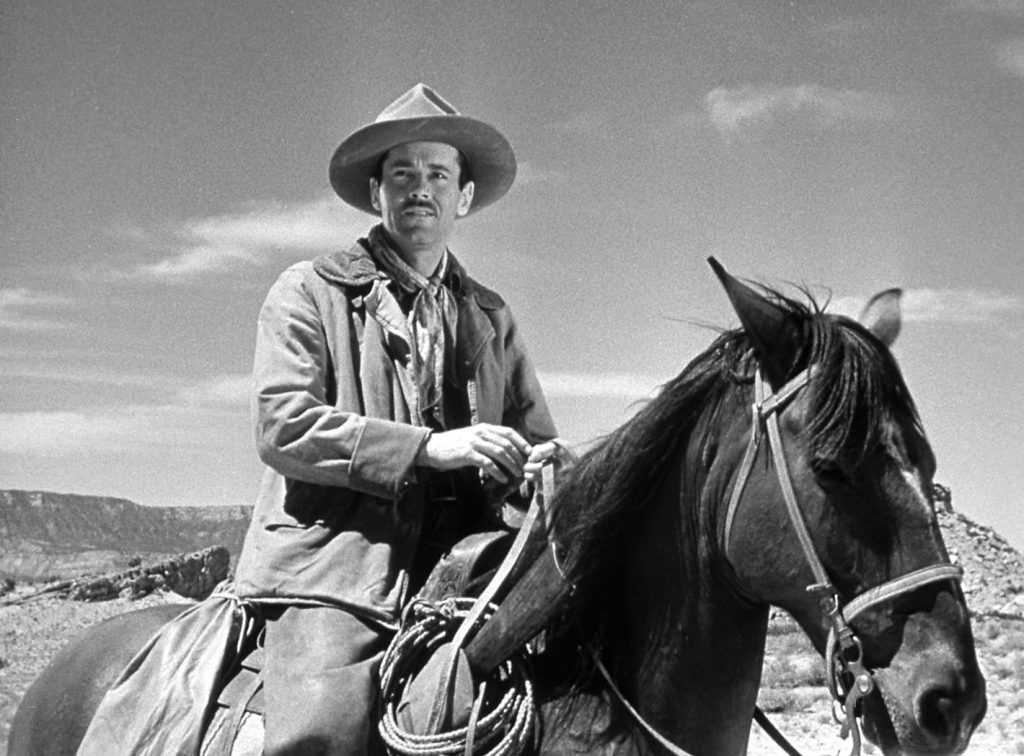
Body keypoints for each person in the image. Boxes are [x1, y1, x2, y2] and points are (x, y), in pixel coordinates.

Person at [233, 83, 568, 755]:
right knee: (317, 735)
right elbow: (282, 424)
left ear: (463, 198)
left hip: (472, 564)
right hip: (337, 567)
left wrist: (542, 465)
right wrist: (429, 449)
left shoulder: (491, 315)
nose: (421, 188)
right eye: (403, 174)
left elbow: (539, 438)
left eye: (438, 174)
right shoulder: (311, 291)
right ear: (377, 192)